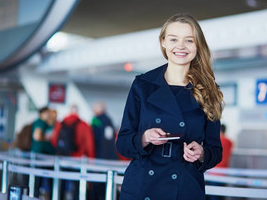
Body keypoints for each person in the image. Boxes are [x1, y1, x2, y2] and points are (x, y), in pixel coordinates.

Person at [116, 13, 224, 200]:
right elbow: (123, 143)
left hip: (185, 187)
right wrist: (144, 138)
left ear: (197, 46)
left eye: (189, 40)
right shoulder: (143, 85)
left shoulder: (208, 90)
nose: (180, 46)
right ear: (163, 42)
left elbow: (216, 151)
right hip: (143, 187)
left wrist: (202, 153)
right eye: (173, 39)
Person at [51, 104, 95, 200]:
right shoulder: (84, 124)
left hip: (62, 158)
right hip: (78, 160)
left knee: (60, 185)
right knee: (78, 186)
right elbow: (89, 145)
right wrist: (91, 160)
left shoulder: (60, 123)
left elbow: (54, 140)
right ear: (78, 112)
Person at [30, 106, 52, 199]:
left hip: (39, 155)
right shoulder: (40, 122)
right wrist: (46, 138)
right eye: (48, 113)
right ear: (43, 113)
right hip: (39, 155)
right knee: (37, 181)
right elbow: (37, 136)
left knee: (37, 181)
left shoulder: (40, 122)